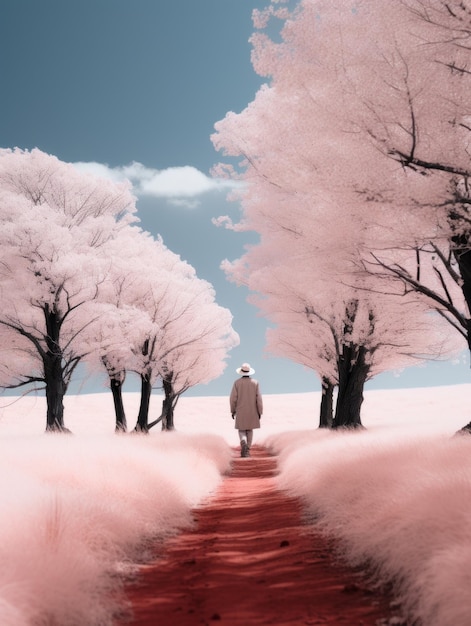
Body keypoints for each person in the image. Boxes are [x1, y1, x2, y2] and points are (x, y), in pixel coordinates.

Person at [230, 362, 263, 457]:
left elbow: (233, 398)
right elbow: (259, 399)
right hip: (252, 411)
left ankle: (243, 441)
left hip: (240, 410)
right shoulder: (255, 383)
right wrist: (260, 411)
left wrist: (233, 410)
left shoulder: (237, 383)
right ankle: (247, 449)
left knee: (241, 429)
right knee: (250, 430)